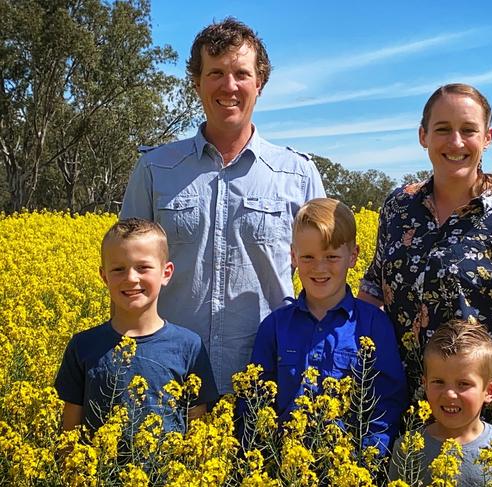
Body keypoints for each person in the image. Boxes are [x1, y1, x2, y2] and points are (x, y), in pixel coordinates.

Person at [120, 18, 325, 395]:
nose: (229, 86)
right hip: (165, 376)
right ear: (196, 83)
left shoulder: (298, 174)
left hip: (268, 379)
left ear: (259, 84)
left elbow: (325, 275)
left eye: (241, 74)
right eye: (215, 73)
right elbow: (125, 272)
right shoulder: (155, 169)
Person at [358, 83, 492, 443]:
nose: (456, 142)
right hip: (401, 413)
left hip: (485, 419)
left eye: (468, 130)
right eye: (443, 129)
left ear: (487, 137)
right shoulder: (398, 208)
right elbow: (373, 289)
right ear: (423, 136)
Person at [249, 198, 407, 454]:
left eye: (332, 256)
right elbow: (254, 401)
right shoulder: (274, 326)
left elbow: (386, 404)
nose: (319, 268)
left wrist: (368, 461)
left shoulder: (374, 325)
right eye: (308, 257)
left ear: (353, 256)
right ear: (293, 257)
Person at [55, 218, 218, 434]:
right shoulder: (83, 346)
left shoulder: (189, 347)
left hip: (168, 468)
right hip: (99, 466)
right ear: (104, 277)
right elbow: (70, 430)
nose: (131, 278)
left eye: (143, 267)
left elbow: (197, 424)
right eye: (118, 269)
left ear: (166, 273)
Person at [388, 320, 492, 486]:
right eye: (438, 382)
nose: (450, 394)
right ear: (426, 385)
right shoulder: (407, 447)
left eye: (463, 384)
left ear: (490, 391)